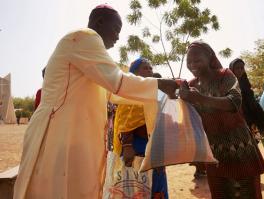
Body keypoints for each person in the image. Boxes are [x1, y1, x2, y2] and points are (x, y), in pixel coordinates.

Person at [14, 5, 178, 199]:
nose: (117, 37)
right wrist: (159, 85)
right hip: (59, 133)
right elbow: (117, 81)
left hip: (72, 134)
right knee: (57, 190)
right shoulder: (84, 37)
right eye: (116, 30)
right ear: (99, 22)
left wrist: (156, 92)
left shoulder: (90, 50)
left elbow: (113, 92)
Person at [179, 41, 264, 199]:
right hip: (213, 151)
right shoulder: (191, 86)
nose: (192, 65)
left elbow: (234, 102)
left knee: (247, 192)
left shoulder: (225, 75)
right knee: (221, 193)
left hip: (239, 146)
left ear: (210, 58)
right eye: (189, 62)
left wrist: (200, 98)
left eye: (197, 60)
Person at [113, 58, 168, 198]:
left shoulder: (156, 92)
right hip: (136, 146)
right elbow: (124, 121)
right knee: (136, 187)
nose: (150, 70)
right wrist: (127, 146)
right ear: (134, 73)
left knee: (156, 184)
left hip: (155, 146)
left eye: (150, 68)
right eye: (145, 68)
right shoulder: (129, 93)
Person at [229, 58, 264, 140]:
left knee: (255, 140)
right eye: (237, 68)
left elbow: (251, 100)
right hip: (239, 117)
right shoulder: (228, 84)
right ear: (232, 69)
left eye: (242, 68)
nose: (240, 70)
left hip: (251, 115)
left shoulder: (245, 81)